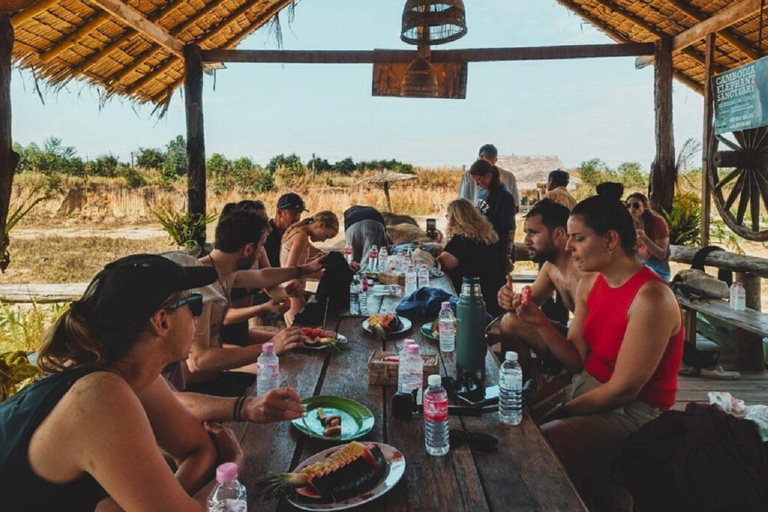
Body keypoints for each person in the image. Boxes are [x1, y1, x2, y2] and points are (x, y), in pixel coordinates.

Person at [0, 254, 243, 510]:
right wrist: (232, 469)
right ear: (162, 321)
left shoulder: (128, 372)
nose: (198, 316)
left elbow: (198, 449)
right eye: (193, 304)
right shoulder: (98, 395)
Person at [514, 196, 684, 512]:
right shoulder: (591, 282)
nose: (568, 248)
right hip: (588, 387)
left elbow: (622, 390)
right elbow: (576, 359)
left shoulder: (652, 297)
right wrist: (539, 322)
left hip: (634, 412)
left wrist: (564, 409)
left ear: (610, 240)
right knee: (515, 426)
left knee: (543, 446)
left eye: (578, 238)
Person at [189, 210, 325, 397]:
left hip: (216, 378)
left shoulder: (225, 271)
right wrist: (269, 346)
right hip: (196, 391)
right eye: (261, 247)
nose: (261, 252)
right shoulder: (202, 283)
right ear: (247, 249)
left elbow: (263, 276)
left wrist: (305, 269)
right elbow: (198, 361)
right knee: (290, 387)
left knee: (294, 377)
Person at [496, 199, 588, 381]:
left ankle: (548, 387)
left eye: (533, 233)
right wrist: (508, 299)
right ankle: (520, 387)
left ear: (559, 234)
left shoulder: (584, 270)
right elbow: (524, 308)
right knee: (509, 322)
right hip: (572, 338)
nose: (526, 241)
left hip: (591, 352)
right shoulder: (550, 267)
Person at [437, 199, 506, 315]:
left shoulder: (461, 240)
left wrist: (436, 246)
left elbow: (444, 263)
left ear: (454, 218)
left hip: (474, 301)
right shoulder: (488, 235)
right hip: (496, 296)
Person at [280, 211, 340, 326]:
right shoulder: (300, 237)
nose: (323, 241)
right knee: (300, 330)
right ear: (321, 225)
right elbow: (290, 269)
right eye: (326, 236)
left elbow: (317, 253)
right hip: (293, 288)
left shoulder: (299, 233)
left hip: (288, 287)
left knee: (294, 330)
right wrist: (315, 274)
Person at [468, 159, 517, 269]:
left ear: (488, 175)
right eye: (475, 181)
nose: (477, 184)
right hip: (484, 246)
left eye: (479, 180)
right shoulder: (482, 192)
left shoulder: (504, 197)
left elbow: (508, 229)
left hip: (498, 248)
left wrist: (506, 256)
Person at [458, 143, 520, 213]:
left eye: (479, 180)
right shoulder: (508, 177)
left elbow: (462, 203)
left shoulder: (508, 179)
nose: (478, 184)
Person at [626, 192, 671, 281]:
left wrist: (644, 239)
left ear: (645, 207)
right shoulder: (630, 223)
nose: (631, 209)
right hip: (640, 265)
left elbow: (662, 254)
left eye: (636, 205)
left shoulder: (657, 222)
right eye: (628, 205)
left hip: (658, 269)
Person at [264, 193, 308, 267]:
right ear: (279, 213)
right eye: (293, 213)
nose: (297, 218)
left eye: (299, 213)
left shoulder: (295, 234)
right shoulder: (265, 235)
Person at [343, 205, 388, 270]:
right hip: (372, 225)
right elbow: (387, 239)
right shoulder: (372, 211)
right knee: (369, 261)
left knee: (352, 262)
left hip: (351, 228)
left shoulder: (349, 213)